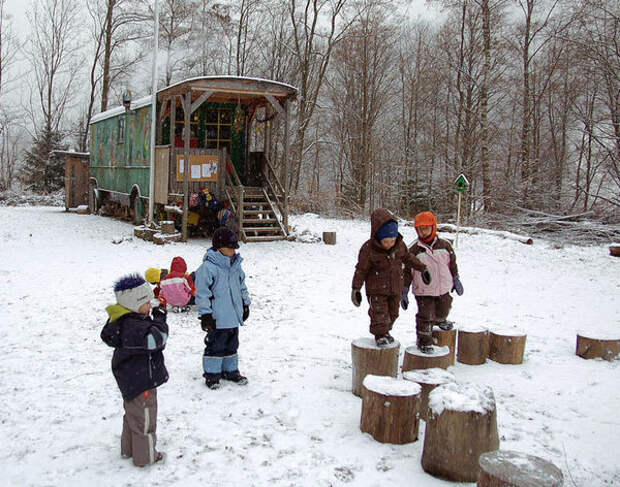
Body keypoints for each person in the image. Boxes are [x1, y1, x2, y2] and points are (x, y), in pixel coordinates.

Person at [100, 274, 169, 467]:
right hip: (142, 381)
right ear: (134, 304)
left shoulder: (123, 321)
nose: (150, 305)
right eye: (146, 302)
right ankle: (145, 457)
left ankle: (128, 449)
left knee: (133, 416)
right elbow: (157, 340)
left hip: (131, 380)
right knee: (145, 419)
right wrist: (160, 319)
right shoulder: (134, 327)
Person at [351, 208, 430, 347]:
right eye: (386, 241)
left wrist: (423, 268)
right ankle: (380, 334)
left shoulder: (399, 246)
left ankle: (386, 331)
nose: (390, 244)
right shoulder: (368, 249)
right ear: (377, 236)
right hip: (376, 290)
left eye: (392, 240)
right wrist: (356, 289)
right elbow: (361, 269)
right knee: (379, 314)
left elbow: (409, 258)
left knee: (393, 313)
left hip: (395, 288)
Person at [195, 227, 251, 389]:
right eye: (230, 248)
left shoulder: (236, 266)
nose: (233, 251)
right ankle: (212, 375)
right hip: (217, 318)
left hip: (233, 316)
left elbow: (242, 286)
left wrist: (245, 304)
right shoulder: (208, 268)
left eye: (235, 248)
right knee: (215, 346)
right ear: (219, 248)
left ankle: (230, 370)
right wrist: (205, 314)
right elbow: (202, 293)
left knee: (232, 345)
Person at [403, 211, 464, 354]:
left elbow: (452, 264)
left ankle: (440, 320)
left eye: (426, 228)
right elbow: (406, 272)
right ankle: (424, 341)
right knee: (425, 315)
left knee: (444, 307)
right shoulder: (413, 250)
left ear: (433, 227)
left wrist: (456, 278)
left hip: (443, 287)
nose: (423, 232)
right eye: (420, 229)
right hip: (424, 291)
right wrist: (404, 289)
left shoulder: (445, 245)